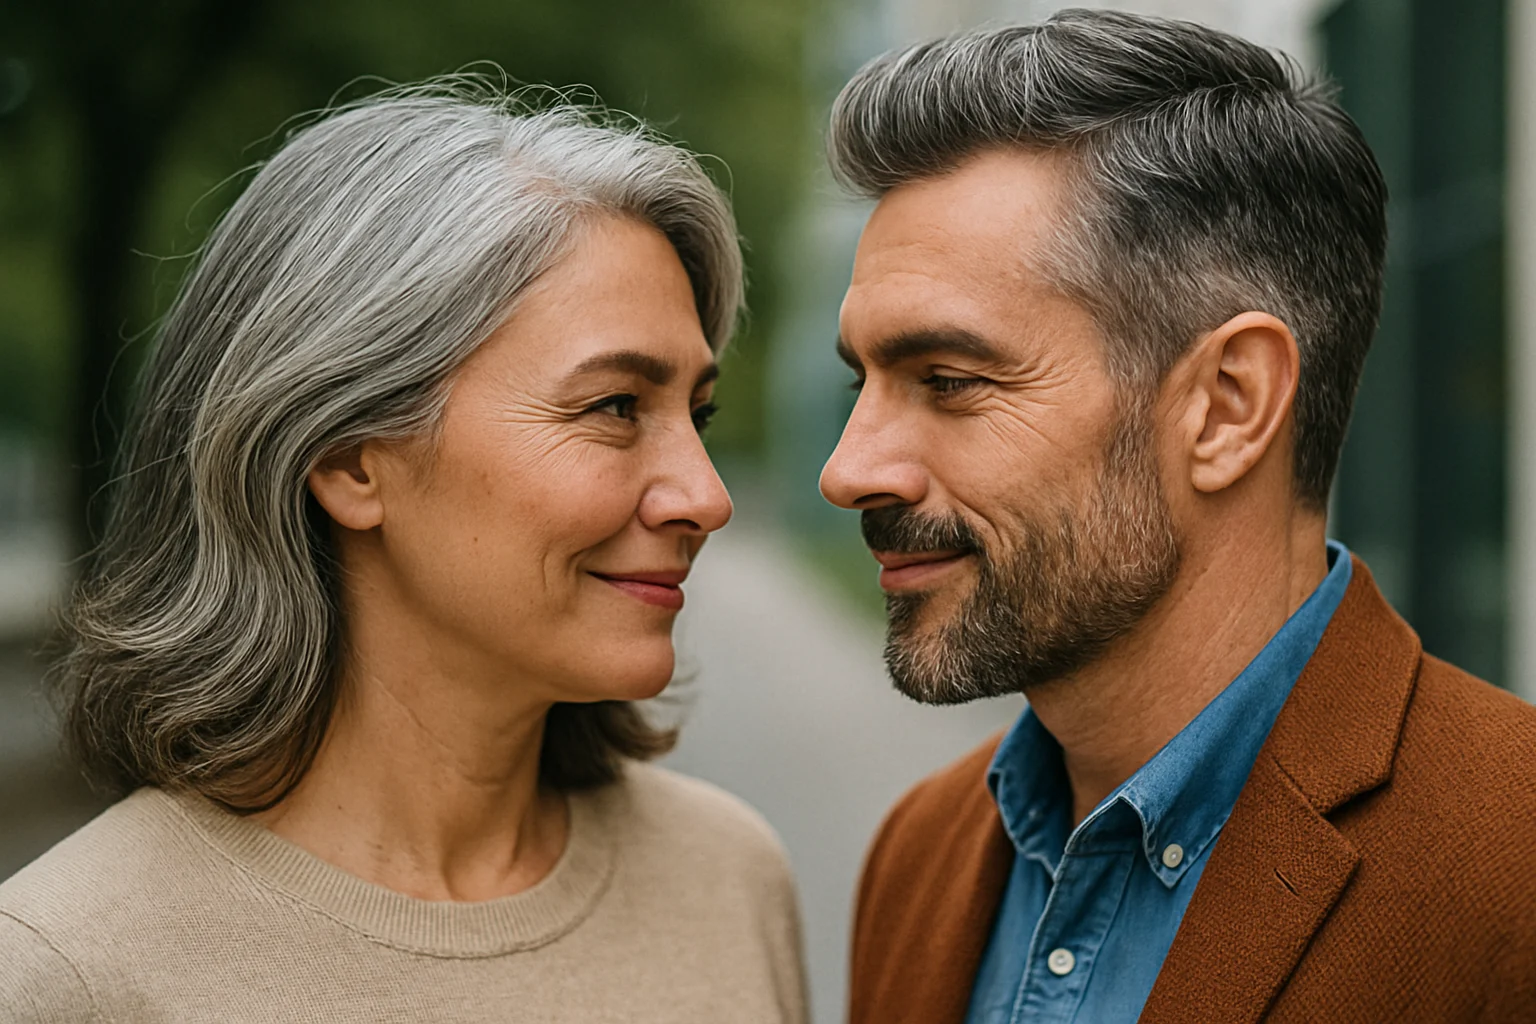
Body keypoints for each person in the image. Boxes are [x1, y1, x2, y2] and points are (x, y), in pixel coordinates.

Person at [0, 86, 807, 1023]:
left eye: (696, 416)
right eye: (616, 407)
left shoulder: (730, 882)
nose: (708, 496)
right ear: (348, 458)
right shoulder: (68, 972)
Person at [821, 11, 1535, 1024]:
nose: (849, 468)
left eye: (947, 379)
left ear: (1227, 407)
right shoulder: (918, 857)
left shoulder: (1514, 867)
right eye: (863, 381)